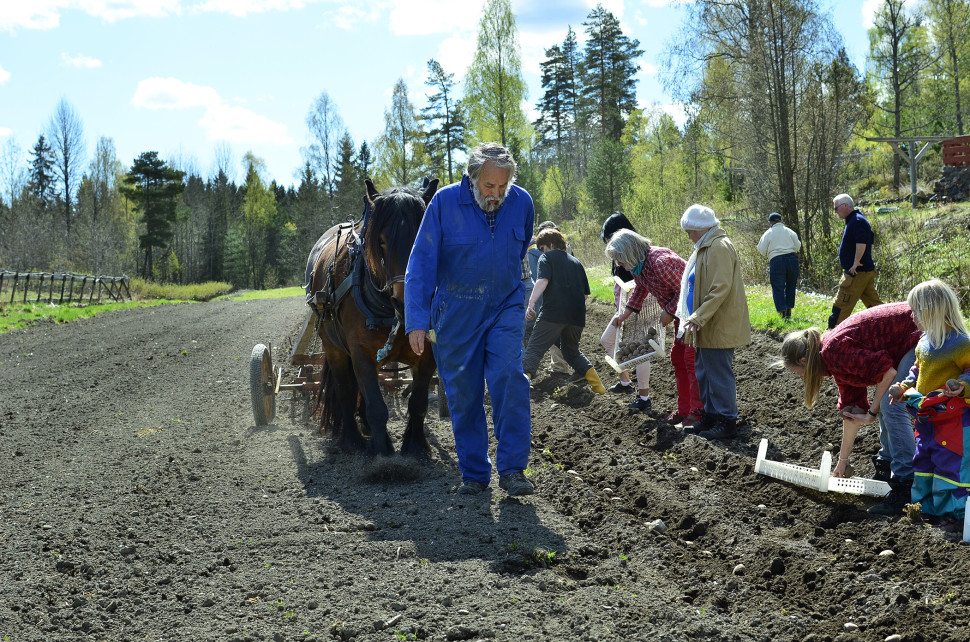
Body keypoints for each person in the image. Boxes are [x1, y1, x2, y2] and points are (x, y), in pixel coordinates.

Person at [404, 142, 535, 497]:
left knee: (509, 377)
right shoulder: (445, 204)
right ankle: (475, 474)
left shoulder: (521, 202)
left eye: (502, 187)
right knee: (464, 392)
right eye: (489, 186)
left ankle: (512, 469)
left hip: (505, 304)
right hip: (457, 311)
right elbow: (421, 262)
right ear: (472, 177)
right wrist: (416, 320)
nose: (496, 194)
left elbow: (520, 251)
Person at [778, 302, 921, 515]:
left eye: (798, 372)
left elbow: (888, 374)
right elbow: (851, 414)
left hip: (920, 329)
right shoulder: (833, 361)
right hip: (907, 336)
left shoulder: (834, 352)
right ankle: (886, 468)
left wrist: (871, 413)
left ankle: (906, 486)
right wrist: (842, 463)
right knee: (884, 402)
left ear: (803, 360)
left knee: (891, 405)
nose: (801, 377)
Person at [888, 280, 970, 521]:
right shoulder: (924, 343)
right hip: (926, 418)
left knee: (950, 463)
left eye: (916, 311)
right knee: (923, 460)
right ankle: (924, 509)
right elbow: (917, 371)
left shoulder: (961, 343)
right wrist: (903, 386)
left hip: (954, 419)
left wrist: (961, 384)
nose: (912, 316)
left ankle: (954, 514)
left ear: (932, 310)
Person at [604, 229, 703, 423]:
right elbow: (641, 289)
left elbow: (687, 290)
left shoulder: (660, 263)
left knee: (690, 360)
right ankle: (684, 410)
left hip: (694, 315)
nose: (619, 265)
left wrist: (668, 311)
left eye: (620, 260)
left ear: (629, 253)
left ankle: (698, 412)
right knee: (678, 358)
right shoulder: (640, 267)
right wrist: (625, 314)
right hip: (680, 317)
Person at [676, 204, 750, 440]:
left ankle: (727, 420)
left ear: (701, 228)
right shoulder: (706, 246)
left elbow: (720, 288)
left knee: (718, 373)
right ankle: (710, 416)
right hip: (705, 323)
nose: (688, 235)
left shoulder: (718, 247)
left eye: (690, 231)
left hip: (718, 322)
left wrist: (698, 316)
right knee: (704, 371)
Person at [523, 228, 606, 394]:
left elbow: (542, 280)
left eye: (542, 248)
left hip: (553, 313)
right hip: (577, 316)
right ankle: (599, 387)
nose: (541, 252)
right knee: (571, 352)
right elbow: (584, 295)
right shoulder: (576, 262)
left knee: (534, 348)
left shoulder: (547, 258)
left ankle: (521, 385)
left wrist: (531, 303)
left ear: (551, 244)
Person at [600, 212, 649, 395]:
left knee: (640, 349)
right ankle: (625, 380)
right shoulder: (617, 256)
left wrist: (629, 310)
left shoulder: (634, 255)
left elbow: (641, 286)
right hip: (623, 307)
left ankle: (644, 395)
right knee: (608, 341)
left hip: (635, 307)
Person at [829, 194, 882, 328]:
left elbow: (862, 243)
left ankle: (832, 337)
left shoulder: (857, 221)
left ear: (845, 206)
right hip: (863, 272)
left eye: (836, 208)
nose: (835, 211)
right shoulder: (855, 220)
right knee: (875, 306)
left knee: (840, 308)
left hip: (856, 273)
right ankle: (889, 329)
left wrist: (855, 263)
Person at [756, 211, 801, 320]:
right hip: (792, 259)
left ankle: (782, 313)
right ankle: (789, 311)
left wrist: (771, 253)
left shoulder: (768, 233)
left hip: (777, 261)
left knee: (778, 287)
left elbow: (761, 250)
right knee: (791, 285)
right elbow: (798, 246)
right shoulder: (789, 231)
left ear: (770, 222)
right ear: (780, 220)